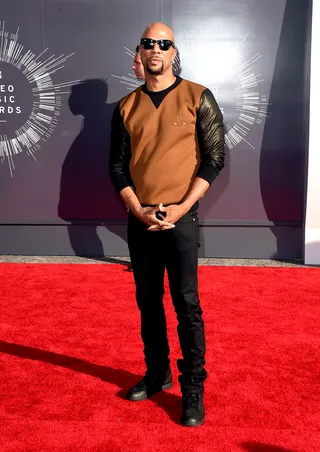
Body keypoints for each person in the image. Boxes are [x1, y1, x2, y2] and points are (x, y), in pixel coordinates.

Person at [109, 22, 224, 427]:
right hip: (140, 219)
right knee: (147, 301)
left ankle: (193, 387)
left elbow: (214, 159)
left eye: (163, 43)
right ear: (139, 53)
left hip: (182, 218)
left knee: (186, 304)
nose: (154, 49)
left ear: (174, 52)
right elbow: (118, 168)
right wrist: (138, 209)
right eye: (147, 43)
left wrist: (180, 208)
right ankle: (157, 373)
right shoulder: (125, 106)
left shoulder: (199, 97)